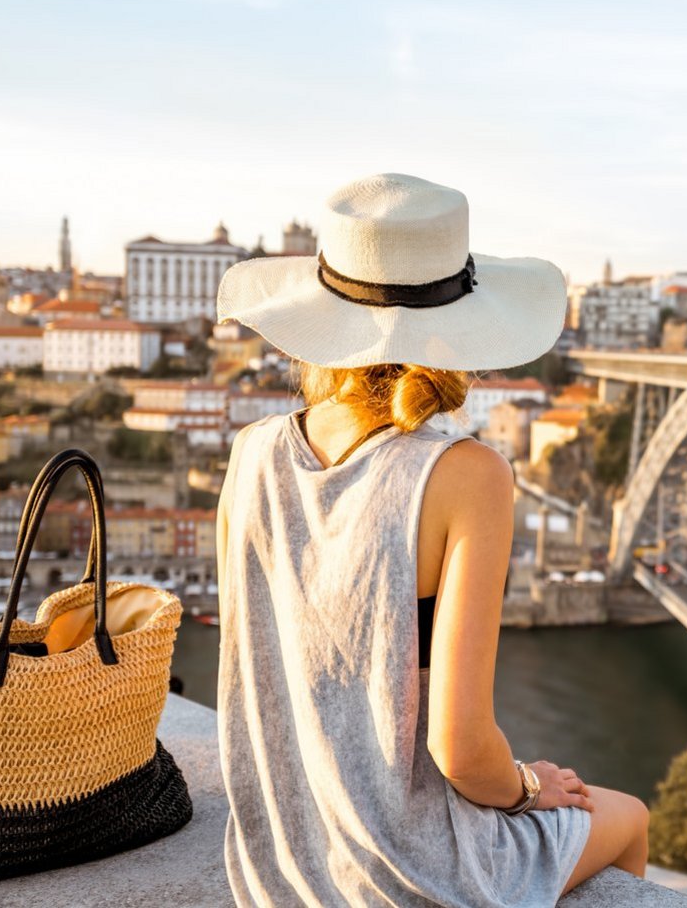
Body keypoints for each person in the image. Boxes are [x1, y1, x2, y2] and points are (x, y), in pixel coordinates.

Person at [211, 174, 648, 907]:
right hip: (409, 877)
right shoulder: (466, 475)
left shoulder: (250, 452)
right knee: (628, 816)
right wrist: (533, 787)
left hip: (278, 865)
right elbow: (464, 749)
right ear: (459, 327)